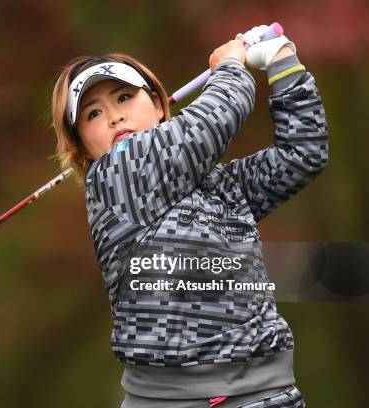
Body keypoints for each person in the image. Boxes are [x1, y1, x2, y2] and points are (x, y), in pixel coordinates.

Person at [50, 24, 328, 407]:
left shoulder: (222, 186)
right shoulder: (115, 178)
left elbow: (302, 154)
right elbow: (218, 115)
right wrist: (229, 65)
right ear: (83, 148)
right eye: (93, 113)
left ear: (161, 106)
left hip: (268, 395)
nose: (114, 117)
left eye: (124, 97)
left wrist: (282, 62)